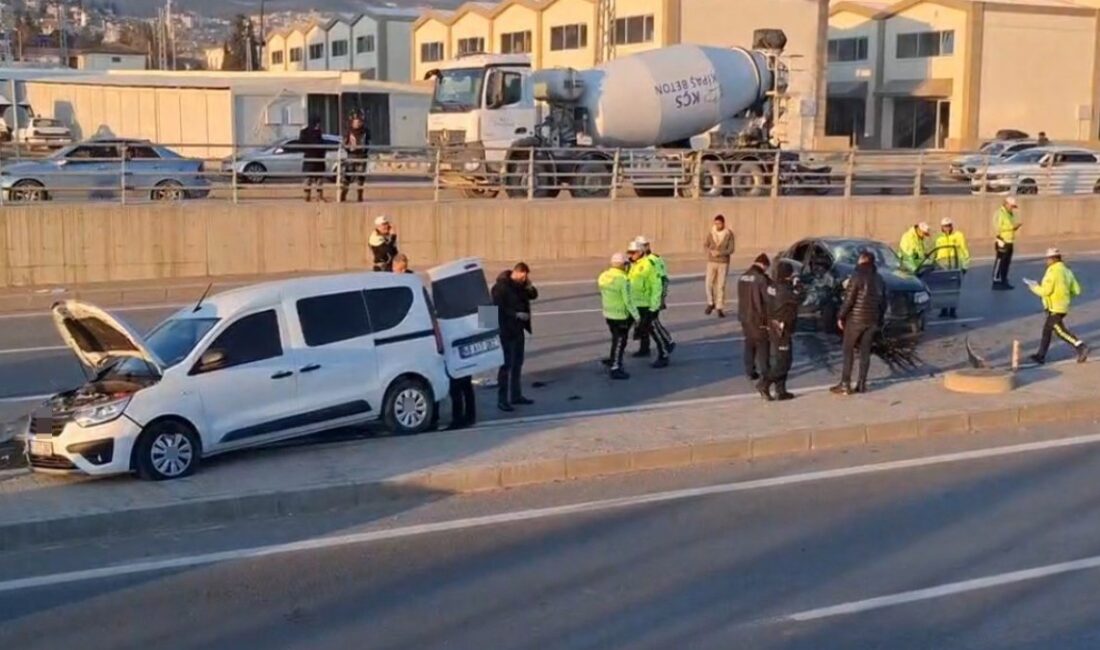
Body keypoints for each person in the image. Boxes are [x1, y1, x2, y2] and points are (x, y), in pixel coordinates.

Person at [831, 250, 886, 396]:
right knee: (865, 352)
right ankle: (862, 383)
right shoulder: (879, 278)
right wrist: (879, 320)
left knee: (848, 350)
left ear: (862, 261)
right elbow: (883, 302)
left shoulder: (856, 277)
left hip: (855, 320)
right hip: (872, 321)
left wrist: (840, 316)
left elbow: (849, 300)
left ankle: (845, 384)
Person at [1029, 248, 1089, 365]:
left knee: (1060, 331)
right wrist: (1066, 297)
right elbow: (1077, 290)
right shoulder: (1067, 271)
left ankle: (1080, 346)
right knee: (1047, 331)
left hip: (1054, 307)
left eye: (1047, 259)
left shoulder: (1052, 272)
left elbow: (1046, 291)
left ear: (1052, 259)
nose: (1046, 261)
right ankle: (1041, 355)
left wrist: (1033, 287)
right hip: (1063, 306)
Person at [492, 262, 538, 411]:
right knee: (506, 365)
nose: (524, 279)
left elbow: (533, 295)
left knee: (518, 363)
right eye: (523, 276)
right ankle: (502, 399)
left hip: (518, 330)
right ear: (517, 272)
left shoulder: (521, 286)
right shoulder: (500, 287)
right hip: (505, 330)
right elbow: (497, 309)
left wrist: (529, 285)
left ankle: (516, 395)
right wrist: (516, 314)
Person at [762, 260, 802, 401]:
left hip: (773, 324)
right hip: (781, 328)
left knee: (781, 358)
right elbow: (799, 297)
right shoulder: (785, 290)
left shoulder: (772, 286)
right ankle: (764, 383)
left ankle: (781, 390)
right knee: (784, 362)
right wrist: (797, 283)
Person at [627, 241, 670, 368]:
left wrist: (655, 306)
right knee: (626, 330)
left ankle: (664, 354)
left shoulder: (649, 264)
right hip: (636, 303)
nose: (631, 255)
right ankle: (616, 357)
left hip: (646, 304)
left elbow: (657, 286)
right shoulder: (633, 265)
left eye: (633, 252)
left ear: (640, 252)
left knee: (653, 330)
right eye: (629, 252)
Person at [599, 253, 639, 380]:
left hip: (608, 313)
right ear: (622, 265)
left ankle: (613, 359)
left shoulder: (603, 276)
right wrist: (637, 316)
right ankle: (615, 366)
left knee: (615, 339)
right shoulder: (623, 279)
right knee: (620, 341)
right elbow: (628, 300)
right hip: (621, 315)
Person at [737, 253, 772, 397]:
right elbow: (767, 299)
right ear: (764, 265)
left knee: (749, 343)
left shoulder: (742, 277)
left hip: (745, 316)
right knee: (763, 345)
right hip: (758, 317)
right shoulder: (761, 279)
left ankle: (750, 371)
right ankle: (765, 374)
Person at [634, 236, 675, 355]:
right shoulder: (639, 261)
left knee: (652, 322)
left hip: (652, 297)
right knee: (643, 323)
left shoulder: (653, 259)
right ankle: (644, 347)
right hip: (642, 298)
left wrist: (661, 298)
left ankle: (667, 342)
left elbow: (662, 280)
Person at [934, 217, 970, 318]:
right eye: (945, 226)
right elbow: (935, 253)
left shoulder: (958, 236)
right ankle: (943, 309)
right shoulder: (938, 238)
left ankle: (952, 310)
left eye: (949, 226)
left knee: (954, 288)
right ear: (942, 227)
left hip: (954, 264)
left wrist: (965, 266)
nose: (947, 228)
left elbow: (964, 250)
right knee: (943, 289)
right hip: (942, 265)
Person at [704, 214, 736, 317]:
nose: (717, 225)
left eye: (719, 223)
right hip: (711, 261)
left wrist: (720, 253)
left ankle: (719, 307)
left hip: (723, 262)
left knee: (720, 286)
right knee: (708, 283)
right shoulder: (711, 233)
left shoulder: (728, 234)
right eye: (716, 223)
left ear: (723, 223)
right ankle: (710, 302)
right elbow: (706, 245)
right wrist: (710, 251)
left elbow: (731, 249)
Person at [339, 111, 371, 203]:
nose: (357, 123)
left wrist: (365, 150)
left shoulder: (365, 131)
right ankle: (343, 195)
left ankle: (359, 196)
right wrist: (348, 148)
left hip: (362, 156)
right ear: (353, 122)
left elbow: (368, 143)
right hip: (351, 156)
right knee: (347, 177)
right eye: (356, 121)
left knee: (360, 177)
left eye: (359, 121)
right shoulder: (349, 131)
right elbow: (344, 143)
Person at [993, 196, 1022, 290]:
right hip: (1002, 240)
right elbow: (997, 227)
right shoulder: (1000, 213)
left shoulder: (1009, 213)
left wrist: (1014, 227)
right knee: (1000, 262)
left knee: (1006, 262)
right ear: (1006, 204)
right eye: (1011, 206)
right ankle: (996, 281)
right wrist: (1012, 227)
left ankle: (1004, 279)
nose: (1012, 208)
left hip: (1010, 240)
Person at [298, 116, 326, 203]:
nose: (318, 125)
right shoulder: (304, 132)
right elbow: (302, 144)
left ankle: (319, 196)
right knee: (308, 179)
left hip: (319, 159)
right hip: (309, 158)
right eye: (317, 123)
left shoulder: (318, 132)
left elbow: (321, 143)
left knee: (319, 179)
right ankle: (307, 196)